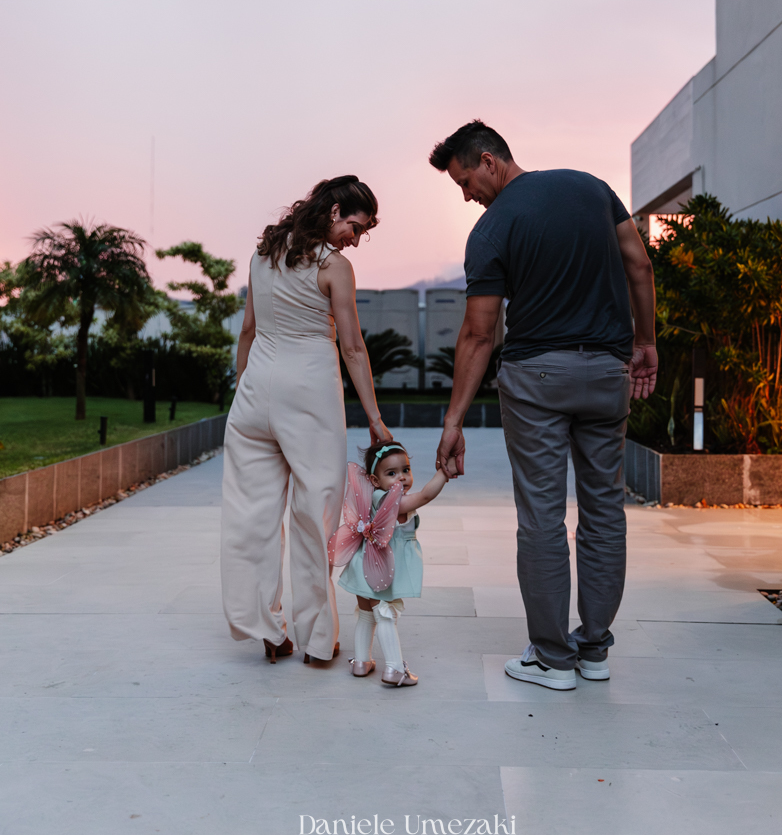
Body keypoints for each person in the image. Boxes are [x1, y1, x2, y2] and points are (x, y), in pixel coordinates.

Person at [429, 120, 657, 691]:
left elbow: (480, 334)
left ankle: (553, 660)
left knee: (541, 516)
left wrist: (453, 421)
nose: (465, 195)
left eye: (463, 181)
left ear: (488, 160)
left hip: (537, 379)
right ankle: (595, 650)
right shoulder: (591, 188)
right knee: (605, 508)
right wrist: (645, 341)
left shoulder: (492, 229)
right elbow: (640, 265)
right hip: (608, 372)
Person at [220, 175, 391, 669]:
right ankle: (318, 641)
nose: (355, 240)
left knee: (251, 517)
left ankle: (267, 631)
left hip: (255, 393)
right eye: (356, 227)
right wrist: (376, 420)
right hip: (309, 394)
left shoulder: (262, 255)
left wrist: (243, 394)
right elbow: (353, 347)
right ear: (335, 211)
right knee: (314, 517)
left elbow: (248, 331)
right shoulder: (334, 267)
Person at [328, 441, 448, 687]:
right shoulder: (393, 502)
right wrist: (444, 474)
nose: (402, 478)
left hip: (363, 563)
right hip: (380, 567)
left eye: (405, 470)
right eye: (391, 473)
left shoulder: (372, 497)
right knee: (384, 613)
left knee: (365, 612)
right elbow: (425, 495)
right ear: (374, 479)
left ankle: (362, 662)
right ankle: (394, 668)